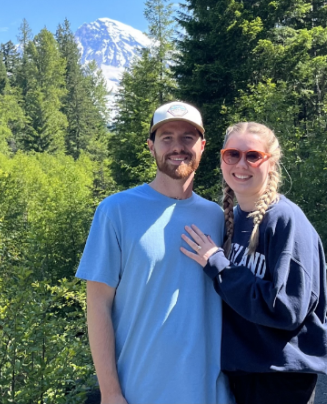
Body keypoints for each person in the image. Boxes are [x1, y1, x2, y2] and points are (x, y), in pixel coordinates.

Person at [76, 101, 233, 404]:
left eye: (188, 137)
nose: (178, 146)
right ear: (151, 146)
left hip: (211, 393)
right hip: (139, 392)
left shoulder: (217, 216)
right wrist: (110, 393)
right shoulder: (115, 211)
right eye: (167, 137)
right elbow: (97, 305)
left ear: (202, 146)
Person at [180, 122, 327, 404]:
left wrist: (219, 265)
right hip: (242, 372)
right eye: (232, 154)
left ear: (271, 163)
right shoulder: (231, 219)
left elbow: (288, 309)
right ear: (222, 160)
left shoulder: (285, 220)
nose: (241, 163)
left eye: (253, 156)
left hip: (280, 379)